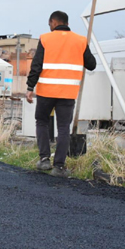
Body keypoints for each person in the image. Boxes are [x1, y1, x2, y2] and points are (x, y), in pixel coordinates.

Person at [26, 11, 96, 177]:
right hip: (68, 92)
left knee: (42, 121)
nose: (49, 27)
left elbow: (36, 65)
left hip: (46, 91)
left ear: (54, 22)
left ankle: (44, 160)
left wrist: (30, 87)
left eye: (49, 24)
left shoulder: (45, 39)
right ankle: (59, 166)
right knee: (63, 128)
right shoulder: (80, 40)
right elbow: (92, 65)